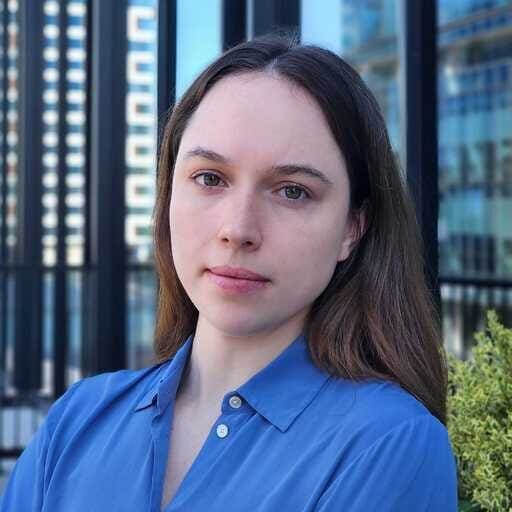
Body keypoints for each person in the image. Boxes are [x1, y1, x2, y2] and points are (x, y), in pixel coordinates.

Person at [0, 33, 458, 511]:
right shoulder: (76, 421)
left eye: (293, 191)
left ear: (352, 228)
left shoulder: (389, 444)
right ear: (169, 193)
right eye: (210, 178)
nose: (237, 230)